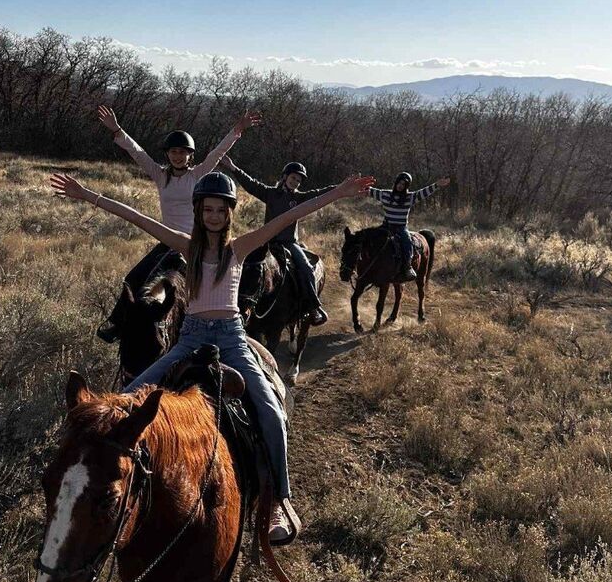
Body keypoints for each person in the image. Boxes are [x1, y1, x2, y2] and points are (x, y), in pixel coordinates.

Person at [50, 168, 374, 545]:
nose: (214, 216)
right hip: (190, 338)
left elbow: (289, 215)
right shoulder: (186, 246)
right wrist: (87, 194)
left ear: (229, 213)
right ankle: (95, 483)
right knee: (124, 399)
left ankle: (277, 501)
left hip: (232, 339)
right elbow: (136, 217)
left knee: (271, 411)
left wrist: (340, 192)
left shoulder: (239, 248)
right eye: (208, 209)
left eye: (221, 210)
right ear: (199, 211)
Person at [94, 105, 261, 341]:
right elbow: (137, 152)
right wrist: (117, 130)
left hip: (192, 244)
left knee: (185, 289)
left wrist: (238, 129)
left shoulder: (197, 175)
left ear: (190, 155)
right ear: (168, 154)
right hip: (166, 243)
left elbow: (217, 152)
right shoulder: (160, 175)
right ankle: (119, 325)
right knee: (133, 280)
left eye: (182, 152)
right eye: (173, 151)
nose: (177, 156)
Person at [223, 156, 334, 326]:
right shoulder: (270, 193)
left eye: (299, 180)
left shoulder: (300, 198)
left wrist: (342, 188)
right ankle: (231, 300)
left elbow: (321, 193)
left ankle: (313, 307)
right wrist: (233, 168)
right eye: (293, 178)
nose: (295, 182)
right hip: (266, 240)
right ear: (285, 176)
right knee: (243, 261)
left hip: (289, 243)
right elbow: (250, 184)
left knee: (306, 268)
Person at [368, 172, 451, 281]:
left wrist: (437, 185)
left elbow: (423, 192)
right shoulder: (385, 194)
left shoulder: (410, 197)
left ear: (406, 186)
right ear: (396, 183)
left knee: (407, 242)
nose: (400, 186)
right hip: (386, 227)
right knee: (370, 239)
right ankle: (366, 265)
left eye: (403, 184)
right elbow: (370, 191)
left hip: (401, 228)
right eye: (399, 183)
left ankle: (408, 267)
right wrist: (357, 186)